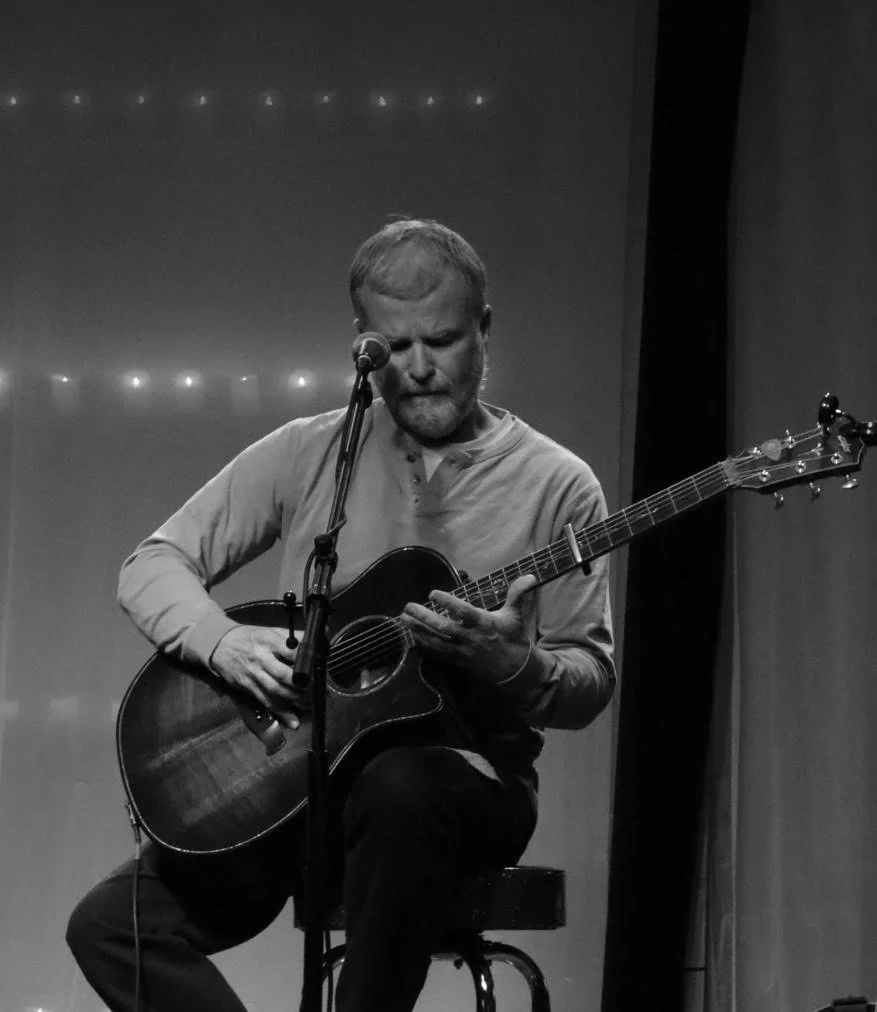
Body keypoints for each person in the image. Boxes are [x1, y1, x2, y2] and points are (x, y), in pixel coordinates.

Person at [66, 218, 616, 1012]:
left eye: (443, 340)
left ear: (484, 330)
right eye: (394, 347)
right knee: (109, 928)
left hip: (462, 784)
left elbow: (589, 679)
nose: (418, 368)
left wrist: (514, 666)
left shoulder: (557, 484)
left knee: (399, 783)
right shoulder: (310, 451)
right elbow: (151, 564)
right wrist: (224, 642)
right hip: (308, 780)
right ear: (362, 344)